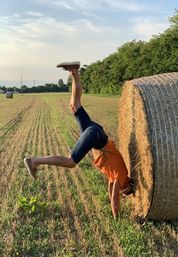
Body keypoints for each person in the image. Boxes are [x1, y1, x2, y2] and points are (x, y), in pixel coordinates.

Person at [24, 61, 135, 218]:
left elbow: (111, 189)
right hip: (95, 137)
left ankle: (75, 73)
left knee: (75, 105)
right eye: (129, 193)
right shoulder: (122, 178)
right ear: (129, 185)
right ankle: (34, 161)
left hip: (96, 134)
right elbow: (115, 198)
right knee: (70, 162)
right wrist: (116, 216)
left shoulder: (117, 176)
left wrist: (113, 195)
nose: (128, 195)